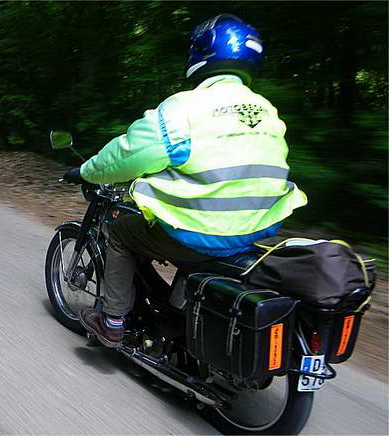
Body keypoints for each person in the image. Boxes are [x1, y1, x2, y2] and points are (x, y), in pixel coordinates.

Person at [62, 14, 308, 347]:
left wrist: (88, 170)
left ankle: (113, 321)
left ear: (201, 53)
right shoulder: (267, 111)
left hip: (200, 230)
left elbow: (129, 154)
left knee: (120, 232)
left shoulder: (185, 108)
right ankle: (178, 312)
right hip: (255, 230)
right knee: (188, 237)